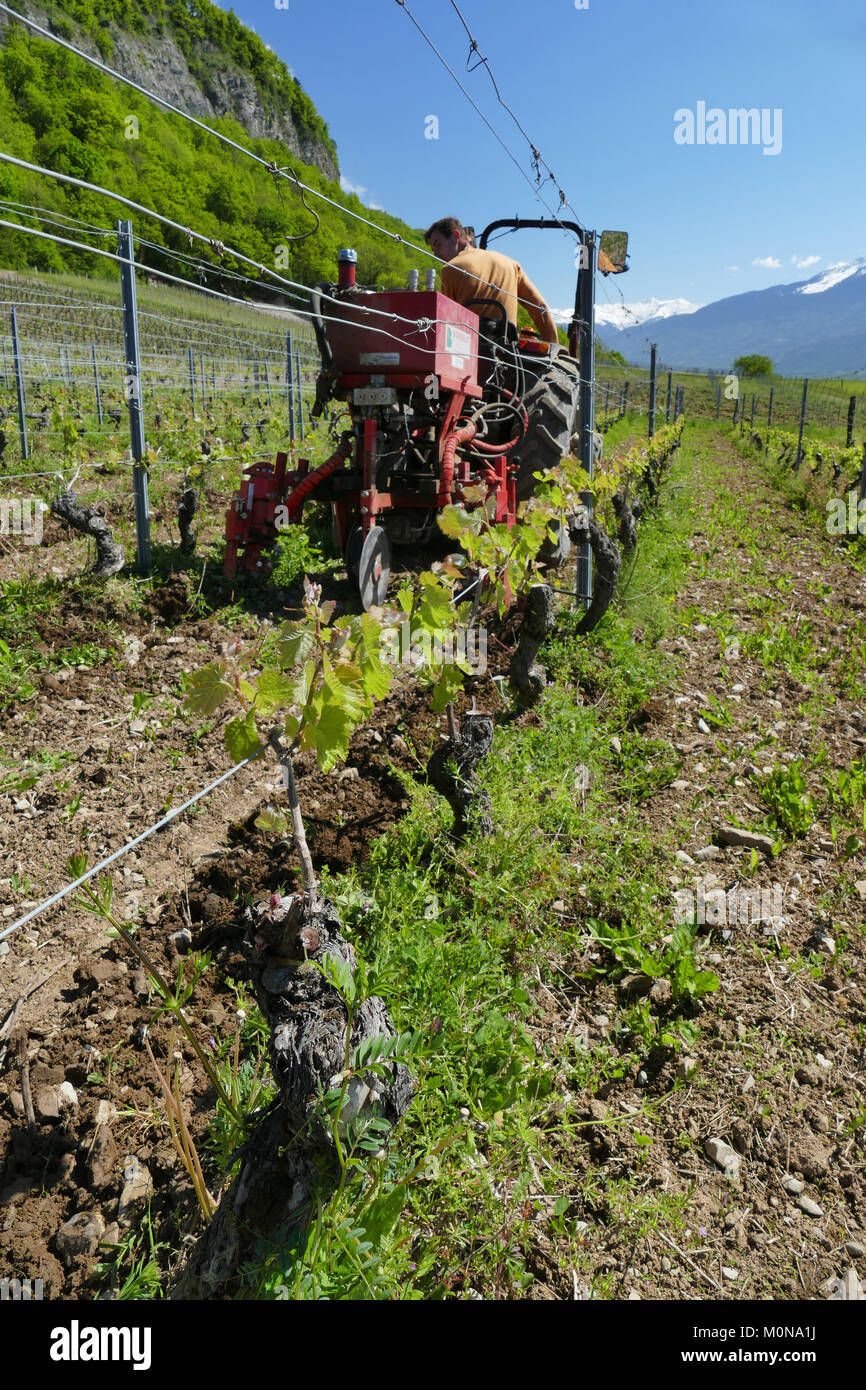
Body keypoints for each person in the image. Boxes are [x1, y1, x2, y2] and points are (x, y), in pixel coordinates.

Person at [424, 217, 559, 345]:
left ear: (455, 236)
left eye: (438, 245)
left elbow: (448, 321)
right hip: (510, 355)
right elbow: (540, 307)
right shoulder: (511, 264)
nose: (435, 254)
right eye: (433, 249)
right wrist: (554, 349)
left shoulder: (449, 269)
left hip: (470, 353)